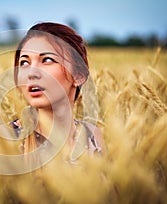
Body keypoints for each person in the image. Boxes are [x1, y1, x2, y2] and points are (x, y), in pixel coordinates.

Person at [12, 22, 103, 164]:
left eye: (47, 60)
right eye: (24, 63)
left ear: (78, 76)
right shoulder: (5, 141)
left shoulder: (94, 135)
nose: (31, 73)